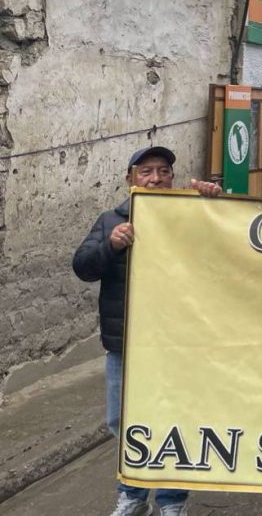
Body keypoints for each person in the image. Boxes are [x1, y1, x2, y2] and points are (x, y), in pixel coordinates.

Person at [72, 146, 222, 516]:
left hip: (179, 344)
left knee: (176, 419)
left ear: (173, 176)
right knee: (123, 422)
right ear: (130, 180)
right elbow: (83, 267)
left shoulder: (192, 215)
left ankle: (172, 501)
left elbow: (228, 249)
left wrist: (216, 206)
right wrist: (111, 246)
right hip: (126, 346)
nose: (155, 178)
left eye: (163, 171)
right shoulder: (111, 221)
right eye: (146, 172)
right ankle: (133, 496)